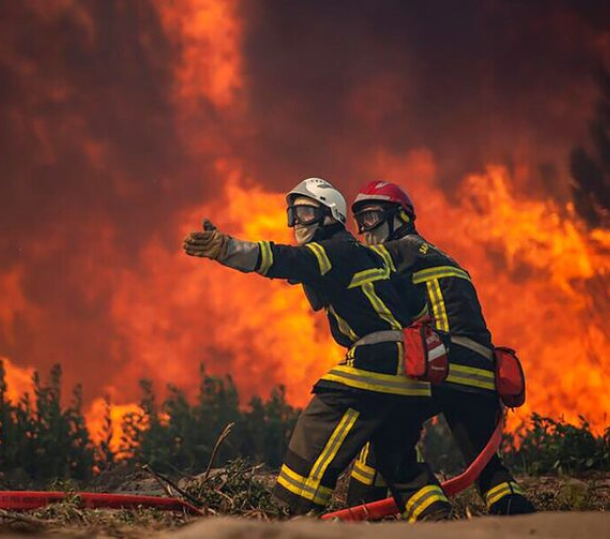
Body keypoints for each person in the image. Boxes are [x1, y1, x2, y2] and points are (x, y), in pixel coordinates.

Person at [183, 178, 451, 521]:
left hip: (378, 361)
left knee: (316, 426)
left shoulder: (334, 248)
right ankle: (437, 518)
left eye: (307, 212)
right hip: (412, 373)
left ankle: (290, 514)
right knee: (396, 456)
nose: (297, 222)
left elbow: (285, 259)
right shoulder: (371, 256)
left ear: (330, 216)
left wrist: (227, 248)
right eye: (293, 214)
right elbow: (416, 307)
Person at [346, 180, 536, 515]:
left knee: (386, 432)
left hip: (442, 364)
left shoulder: (397, 252)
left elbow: (353, 267)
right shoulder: (441, 256)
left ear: (400, 217)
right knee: (484, 459)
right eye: (360, 221)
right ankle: (513, 509)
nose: (365, 229)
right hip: (481, 371)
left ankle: (424, 509)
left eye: (372, 217)